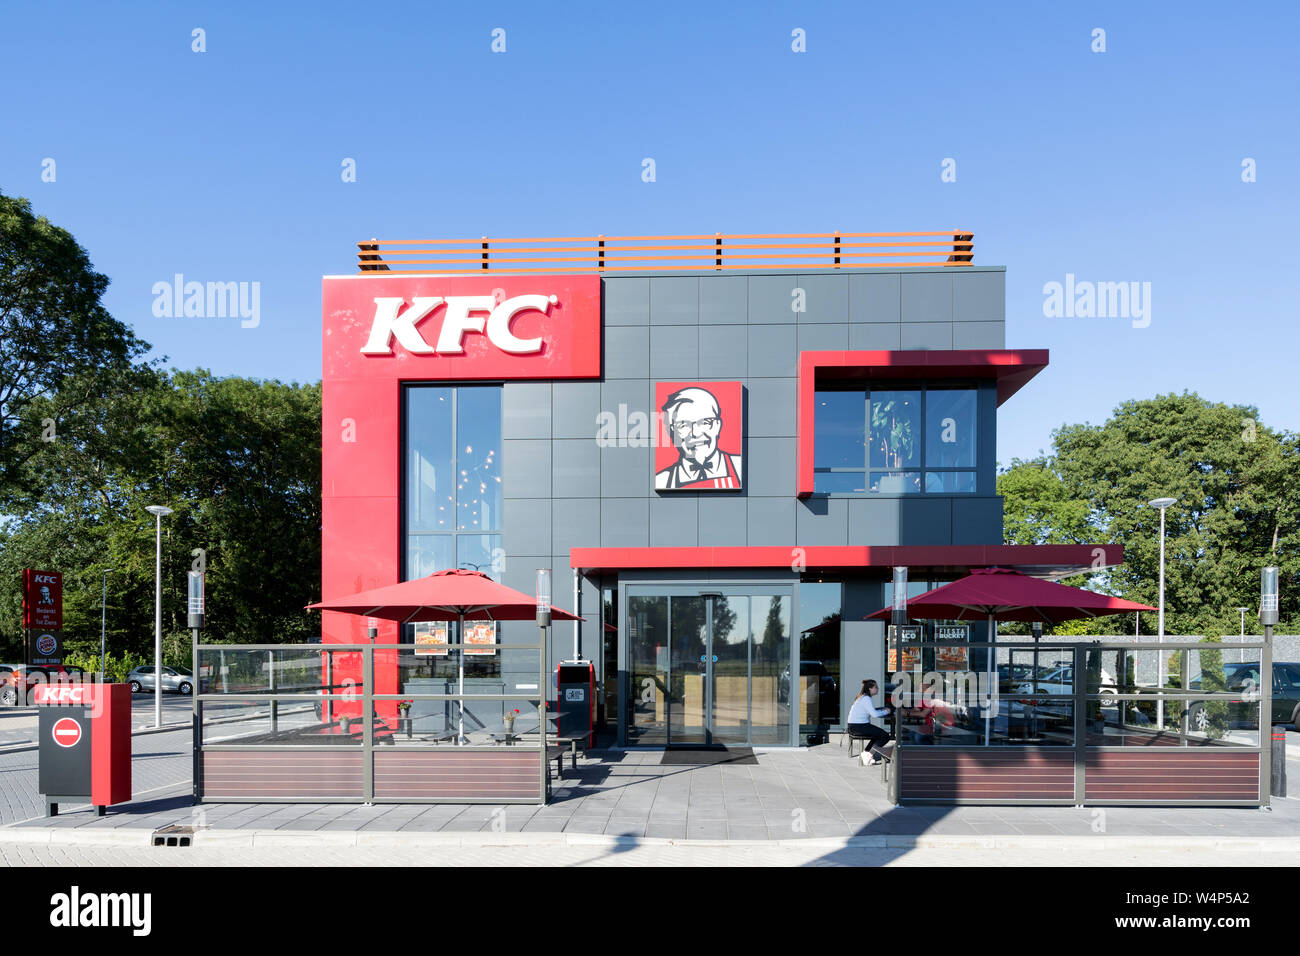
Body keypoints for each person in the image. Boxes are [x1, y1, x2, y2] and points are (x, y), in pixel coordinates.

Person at [654, 386, 742, 490]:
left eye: (705, 422)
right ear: (673, 431)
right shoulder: (662, 481)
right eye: (684, 425)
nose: (696, 433)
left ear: (718, 425)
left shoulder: (739, 467)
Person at [846, 679, 893, 765]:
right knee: (885, 736)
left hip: (853, 726)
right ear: (870, 689)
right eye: (876, 687)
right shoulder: (866, 698)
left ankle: (866, 752)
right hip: (859, 727)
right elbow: (874, 714)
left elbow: (870, 711)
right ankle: (867, 754)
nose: (878, 688)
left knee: (877, 734)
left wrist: (881, 709)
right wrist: (887, 711)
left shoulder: (862, 697)